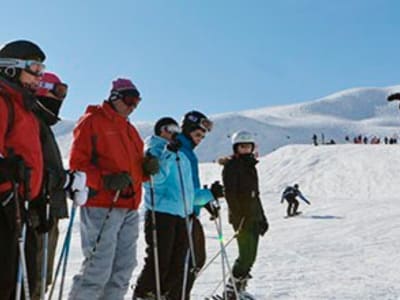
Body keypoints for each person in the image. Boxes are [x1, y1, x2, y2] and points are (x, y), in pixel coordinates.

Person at [68, 78, 158, 300]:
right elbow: (77, 165)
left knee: (123, 269)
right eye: (129, 99)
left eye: (137, 101)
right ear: (115, 97)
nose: (133, 105)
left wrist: (146, 168)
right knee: (97, 269)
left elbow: (134, 171)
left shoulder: (130, 130)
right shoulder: (92, 122)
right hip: (101, 205)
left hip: (129, 206)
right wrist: (105, 180)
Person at [133, 117, 213, 300]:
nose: (175, 133)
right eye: (171, 129)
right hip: (161, 212)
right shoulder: (154, 149)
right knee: (160, 261)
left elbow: (187, 191)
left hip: (182, 214)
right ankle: (143, 294)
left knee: (178, 264)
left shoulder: (180, 153)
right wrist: (168, 153)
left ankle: (163, 295)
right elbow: (154, 180)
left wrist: (209, 195)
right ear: (162, 130)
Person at [29, 72, 88, 300]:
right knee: (32, 279)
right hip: (35, 213)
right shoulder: (32, 122)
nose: (61, 98)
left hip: (47, 210)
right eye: (58, 90)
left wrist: (66, 181)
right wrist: (64, 180)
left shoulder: (42, 125)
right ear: (42, 89)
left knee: (42, 280)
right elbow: (32, 171)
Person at [0, 39, 46, 299]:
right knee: (7, 281)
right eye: (34, 69)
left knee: (23, 278)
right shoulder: (2, 101)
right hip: (4, 203)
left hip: (20, 204)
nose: (39, 77)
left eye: (41, 69)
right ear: (11, 68)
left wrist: (40, 192)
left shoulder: (26, 110)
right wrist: (7, 169)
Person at [174, 110, 223, 299]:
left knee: (194, 260)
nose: (200, 139)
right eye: (197, 134)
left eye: (202, 136)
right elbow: (185, 193)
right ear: (186, 130)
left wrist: (206, 201)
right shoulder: (182, 153)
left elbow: (191, 190)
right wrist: (210, 194)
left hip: (188, 213)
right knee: (190, 261)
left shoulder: (187, 152)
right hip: (181, 216)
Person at [219, 130, 269, 298]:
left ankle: (239, 288)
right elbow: (230, 194)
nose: (246, 149)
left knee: (251, 256)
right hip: (242, 218)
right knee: (245, 255)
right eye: (242, 146)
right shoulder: (232, 166)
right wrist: (238, 216)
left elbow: (255, 195)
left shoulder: (251, 165)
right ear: (236, 148)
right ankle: (231, 290)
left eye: (248, 146)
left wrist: (262, 217)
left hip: (253, 216)